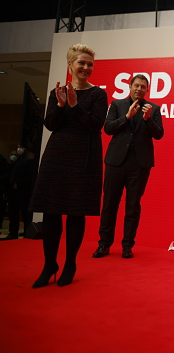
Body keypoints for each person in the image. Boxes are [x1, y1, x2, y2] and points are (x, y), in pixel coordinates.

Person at [29, 44, 108, 288]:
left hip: (84, 156)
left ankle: (70, 264)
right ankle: (49, 264)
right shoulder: (58, 93)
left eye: (90, 64)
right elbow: (51, 124)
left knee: (76, 212)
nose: (86, 68)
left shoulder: (98, 94)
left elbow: (95, 125)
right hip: (57, 154)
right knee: (51, 210)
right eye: (81, 63)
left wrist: (75, 106)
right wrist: (62, 105)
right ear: (70, 65)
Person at [93, 74, 164, 259]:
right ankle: (104, 244)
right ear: (130, 86)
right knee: (109, 204)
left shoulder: (153, 109)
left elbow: (159, 134)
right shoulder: (117, 105)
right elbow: (108, 129)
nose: (139, 89)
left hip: (140, 165)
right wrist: (126, 117)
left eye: (143, 87)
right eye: (136, 85)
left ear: (147, 90)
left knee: (133, 206)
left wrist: (148, 119)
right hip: (116, 162)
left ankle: (127, 246)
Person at [7, 144, 35, 238]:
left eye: (20, 146)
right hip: (14, 191)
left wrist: (18, 183)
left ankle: (26, 232)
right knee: (13, 212)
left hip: (23, 191)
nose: (18, 148)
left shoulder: (29, 160)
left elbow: (30, 176)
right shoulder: (20, 159)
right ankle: (13, 232)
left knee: (24, 213)